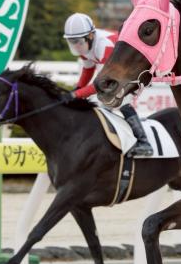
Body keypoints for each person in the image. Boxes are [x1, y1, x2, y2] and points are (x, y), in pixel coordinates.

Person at [63, 12, 154, 157]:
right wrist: (78, 88)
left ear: (90, 36)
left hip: (134, 67)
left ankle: (144, 143)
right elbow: (88, 69)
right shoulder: (85, 45)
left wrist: (76, 94)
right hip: (119, 70)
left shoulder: (104, 46)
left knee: (121, 101)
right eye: (72, 42)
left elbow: (103, 84)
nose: (76, 46)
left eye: (78, 42)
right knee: (105, 104)